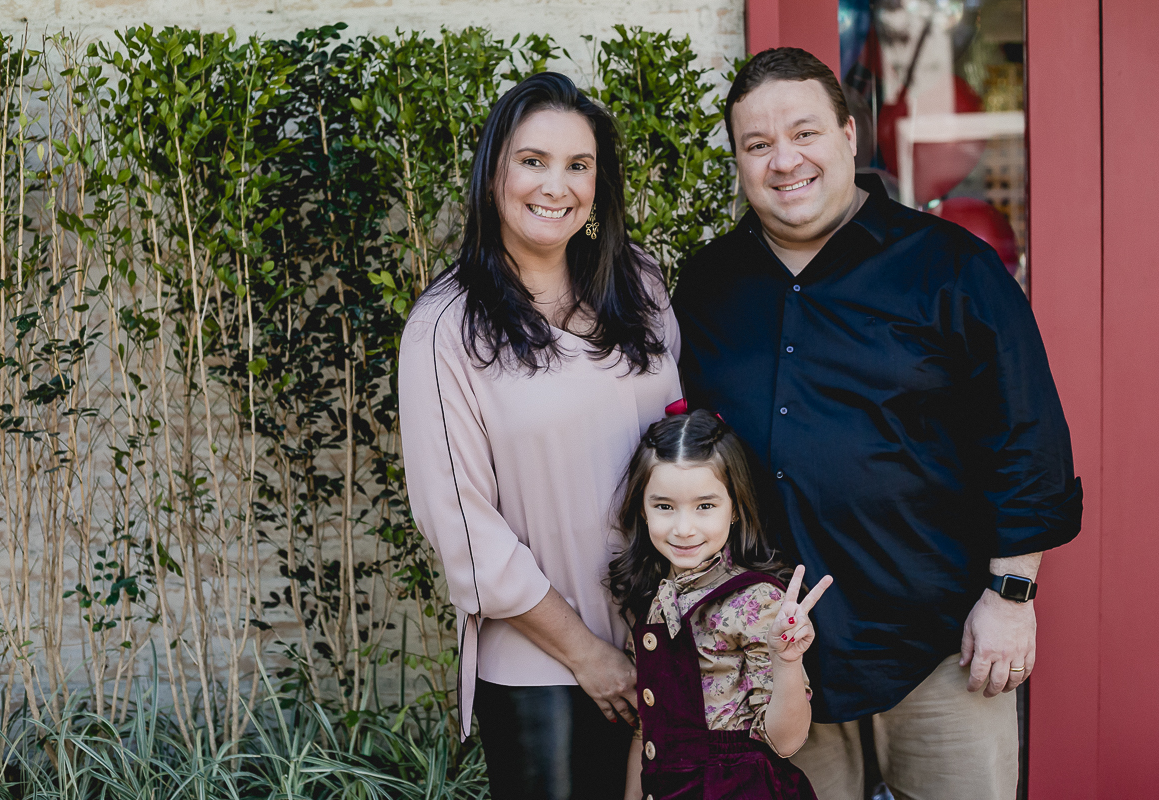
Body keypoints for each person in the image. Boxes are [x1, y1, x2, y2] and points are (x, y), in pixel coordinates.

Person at [672, 48, 1082, 800]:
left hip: (942, 646)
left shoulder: (952, 268)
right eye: (758, 145)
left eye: (804, 133)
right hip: (777, 657)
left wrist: (1012, 598)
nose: (784, 161)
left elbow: (1028, 443)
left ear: (850, 136)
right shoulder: (706, 289)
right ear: (737, 161)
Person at [398, 72, 682, 800]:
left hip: (662, 640)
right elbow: (463, 530)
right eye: (533, 160)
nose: (557, 185)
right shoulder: (445, 328)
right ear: (494, 173)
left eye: (578, 165)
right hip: (544, 662)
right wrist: (588, 654)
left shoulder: (639, 286)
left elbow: (683, 448)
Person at [608, 409, 833, 800]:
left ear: (735, 509)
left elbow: (786, 741)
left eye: (705, 506)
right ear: (642, 510)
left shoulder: (758, 601)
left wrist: (787, 661)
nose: (683, 527)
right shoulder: (651, 598)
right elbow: (648, 731)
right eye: (664, 506)